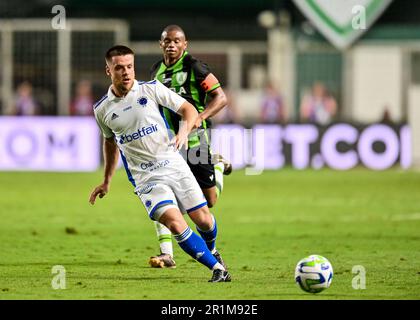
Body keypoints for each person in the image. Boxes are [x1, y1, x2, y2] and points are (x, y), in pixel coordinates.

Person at [89, 45, 231, 282]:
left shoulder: (152, 89)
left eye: (130, 66)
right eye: (119, 68)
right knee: (176, 223)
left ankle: (212, 250)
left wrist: (184, 131)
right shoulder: (102, 110)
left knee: (204, 219)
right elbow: (110, 142)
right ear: (108, 70)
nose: (126, 72)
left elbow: (188, 109)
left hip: (173, 164)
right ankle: (218, 269)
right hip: (146, 178)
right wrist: (106, 181)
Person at [148, 25, 231, 268]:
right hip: (169, 145)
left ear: (185, 44)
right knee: (163, 196)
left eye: (177, 41)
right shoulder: (155, 71)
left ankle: (215, 167)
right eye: (167, 41)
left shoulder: (196, 67)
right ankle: (166, 252)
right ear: (160, 44)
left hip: (196, 142)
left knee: (209, 203)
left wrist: (200, 117)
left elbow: (221, 97)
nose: (171, 44)